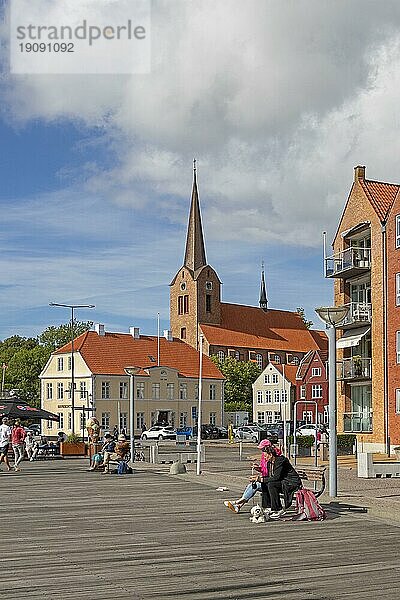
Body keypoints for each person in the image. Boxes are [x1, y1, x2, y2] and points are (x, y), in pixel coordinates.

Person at [224, 439, 282, 513]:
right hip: (266, 479)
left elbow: (272, 472)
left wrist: (259, 478)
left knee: (255, 485)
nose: (261, 450)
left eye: (262, 449)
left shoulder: (274, 457)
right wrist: (257, 468)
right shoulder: (264, 456)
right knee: (252, 485)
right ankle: (238, 505)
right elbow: (264, 469)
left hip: (271, 481)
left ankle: (237, 502)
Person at [259, 445, 302, 519]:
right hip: (282, 481)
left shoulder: (280, 461)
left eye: (266, 456)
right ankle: (268, 506)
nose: (265, 458)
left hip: (291, 483)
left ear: (271, 454)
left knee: (271, 484)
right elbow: (270, 477)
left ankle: (278, 509)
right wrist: (260, 479)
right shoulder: (269, 463)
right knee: (265, 484)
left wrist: (262, 479)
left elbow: (276, 477)